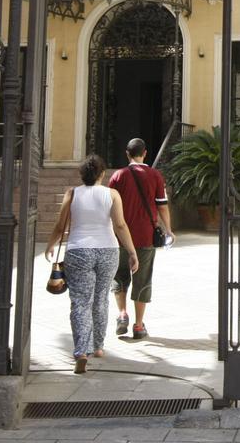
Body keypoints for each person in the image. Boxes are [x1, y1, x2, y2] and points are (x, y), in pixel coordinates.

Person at [44, 154, 139, 374]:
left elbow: (60, 226)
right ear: (102, 174)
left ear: (82, 174)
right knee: (101, 298)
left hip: (78, 251)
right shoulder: (112, 194)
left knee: (80, 302)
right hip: (108, 250)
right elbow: (121, 225)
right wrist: (132, 252)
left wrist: (50, 245)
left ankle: (80, 351)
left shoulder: (72, 193)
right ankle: (98, 347)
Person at [107, 137, 173, 339]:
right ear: (145, 153)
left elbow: (109, 207)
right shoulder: (155, 176)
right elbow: (162, 205)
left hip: (120, 237)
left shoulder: (117, 176)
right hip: (146, 236)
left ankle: (122, 314)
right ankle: (138, 325)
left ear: (127, 154)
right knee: (142, 279)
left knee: (119, 276)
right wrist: (169, 229)